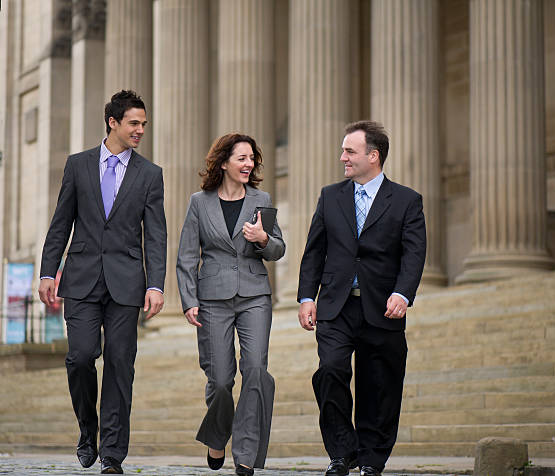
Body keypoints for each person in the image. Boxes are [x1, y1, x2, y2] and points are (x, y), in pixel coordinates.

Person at [38, 90, 167, 475]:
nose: (141, 130)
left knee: (119, 363)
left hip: (126, 283)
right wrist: (48, 271)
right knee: (79, 357)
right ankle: (87, 428)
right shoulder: (78, 165)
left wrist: (156, 284)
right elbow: (61, 221)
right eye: (134, 123)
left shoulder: (150, 174)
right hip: (80, 280)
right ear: (112, 121)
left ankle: (112, 453)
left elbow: (156, 236)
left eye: (144, 124)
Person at [297, 121, 426, 476]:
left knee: (379, 385)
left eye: (350, 151)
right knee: (330, 370)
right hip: (336, 306)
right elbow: (314, 251)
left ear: (374, 155)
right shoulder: (330, 196)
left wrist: (403, 293)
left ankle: (371, 460)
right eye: (343, 151)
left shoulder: (406, 200)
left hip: (383, 306)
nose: (343, 158)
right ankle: (342, 452)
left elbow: (414, 254)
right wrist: (306, 297)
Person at [176, 133, 285, 476]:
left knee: (255, 369)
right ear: (223, 162)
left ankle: (246, 453)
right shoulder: (199, 202)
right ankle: (217, 434)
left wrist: (263, 239)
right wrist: (189, 300)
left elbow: (278, 249)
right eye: (241, 158)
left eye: (252, 158)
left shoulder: (261, 198)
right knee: (221, 379)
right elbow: (186, 256)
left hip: (254, 294)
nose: (248, 164)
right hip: (212, 300)